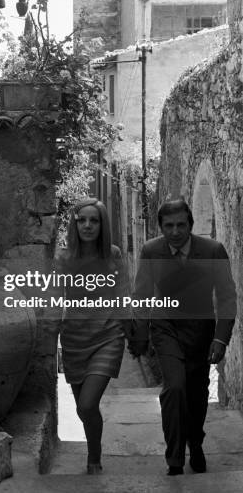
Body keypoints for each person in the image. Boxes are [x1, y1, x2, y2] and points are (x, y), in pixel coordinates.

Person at [129, 199, 236, 476]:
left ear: (190, 224)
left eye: (180, 225)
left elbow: (226, 296)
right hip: (165, 328)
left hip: (201, 331)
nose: (175, 231)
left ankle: (195, 442)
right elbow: (141, 295)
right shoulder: (151, 251)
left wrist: (221, 339)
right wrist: (140, 336)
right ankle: (174, 457)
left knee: (197, 393)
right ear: (161, 227)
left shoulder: (212, 251)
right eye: (169, 226)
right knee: (174, 388)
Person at [58, 198, 129, 474]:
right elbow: (54, 300)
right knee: (82, 409)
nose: (88, 225)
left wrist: (130, 330)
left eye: (94, 220)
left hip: (108, 336)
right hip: (74, 340)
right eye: (82, 220)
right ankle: (94, 451)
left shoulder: (113, 255)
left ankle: (94, 457)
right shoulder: (63, 259)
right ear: (75, 224)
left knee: (88, 404)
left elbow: (123, 295)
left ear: (102, 225)